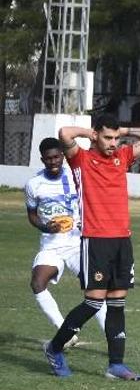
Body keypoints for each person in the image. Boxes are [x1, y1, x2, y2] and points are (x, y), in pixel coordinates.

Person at [43, 114, 140, 380]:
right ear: (96, 136)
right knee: (93, 302)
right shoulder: (81, 159)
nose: (113, 143)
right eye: (107, 138)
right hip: (95, 239)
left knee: (117, 303)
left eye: (116, 138)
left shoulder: (122, 157)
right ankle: (54, 348)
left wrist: (124, 131)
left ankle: (115, 365)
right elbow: (65, 133)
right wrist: (92, 133)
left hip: (122, 240)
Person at [25, 138, 107, 344]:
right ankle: (66, 332)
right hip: (51, 245)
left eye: (56, 157)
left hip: (77, 243)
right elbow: (32, 214)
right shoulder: (34, 184)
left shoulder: (75, 176)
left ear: (63, 155)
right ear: (42, 159)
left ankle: (111, 334)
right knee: (37, 283)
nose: (53, 162)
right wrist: (44, 226)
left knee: (94, 287)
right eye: (48, 159)